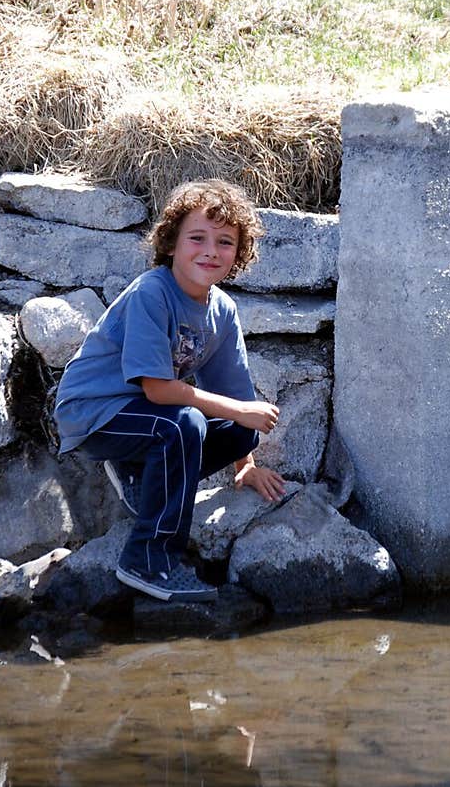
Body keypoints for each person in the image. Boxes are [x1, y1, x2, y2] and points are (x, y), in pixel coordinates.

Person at [54, 178, 286, 604]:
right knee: (185, 423)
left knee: (242, 428)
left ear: (239, 254)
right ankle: (148, 561)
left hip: (147, 416)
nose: (210, 251)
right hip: (96, 412)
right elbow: (159, 391)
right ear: (171, 244)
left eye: (225, 242)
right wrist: (237, 409)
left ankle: (141, 477)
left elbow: (233, 394)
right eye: (196, 238)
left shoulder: (222, 311)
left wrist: (244, 466)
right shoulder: (152, 293)